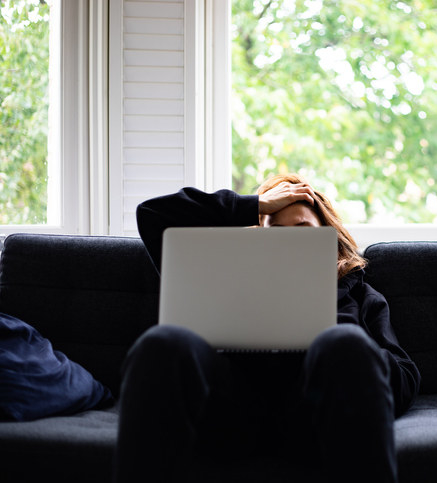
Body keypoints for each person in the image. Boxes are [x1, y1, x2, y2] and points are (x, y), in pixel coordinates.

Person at [114, 173, 421, 483]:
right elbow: (153, 214)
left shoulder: (358, 294)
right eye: (276, 233)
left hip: (312, 418)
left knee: (346, 342)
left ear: (328, 240)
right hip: (228, 414)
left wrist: (333, 335)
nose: (289, 244)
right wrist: (257, 205)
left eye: (302, 232)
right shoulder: (227, 276)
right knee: (163, 341)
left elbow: (406, 376)